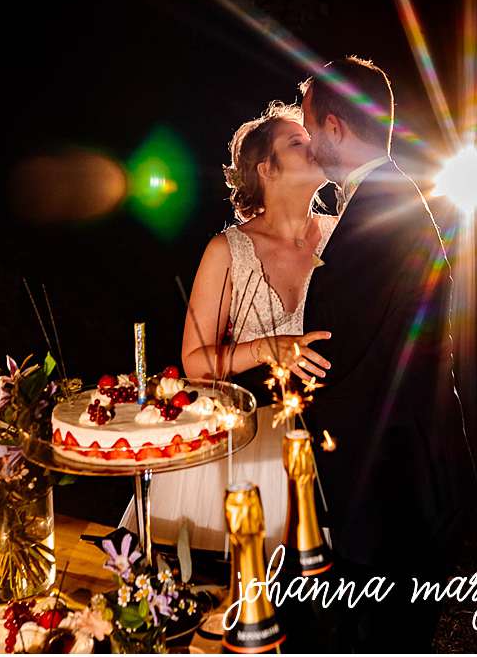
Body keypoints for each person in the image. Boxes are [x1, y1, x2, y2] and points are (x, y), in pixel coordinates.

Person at [298, 56, 477, 650]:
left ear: (336, 127)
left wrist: (298, 392)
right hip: (396, 459)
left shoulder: (380, 207)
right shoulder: (390, 194)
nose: (308, 143)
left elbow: (347, 347)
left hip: (382, 470)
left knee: (380, 635)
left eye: (310, 127)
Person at [134, 104, 338, 548]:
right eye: (297, 142)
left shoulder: (345, 234)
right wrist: (265, 348)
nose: (313, 145)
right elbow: (194, 363)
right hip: (246, 442)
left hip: (330, 440)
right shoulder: (228, 250)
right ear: (267, 169)